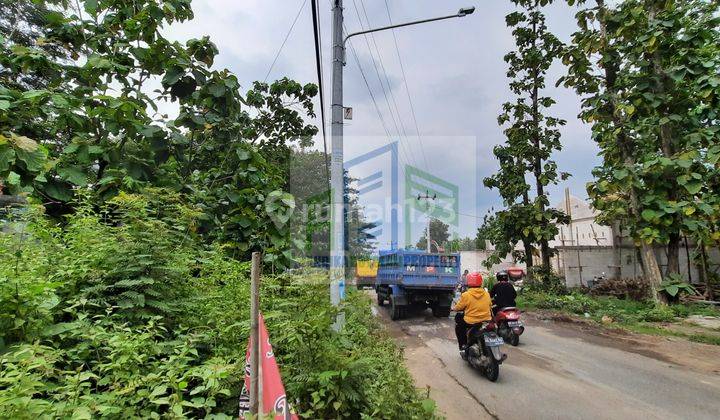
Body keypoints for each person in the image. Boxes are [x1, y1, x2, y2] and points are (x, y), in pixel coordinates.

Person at [452, 272, 492, 356]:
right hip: (486, 320)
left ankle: (463, 346)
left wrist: (453, 308)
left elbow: (459, 307)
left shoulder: (466, 295)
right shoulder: (486, 293)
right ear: (480, 282)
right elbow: (490, 304)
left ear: (468, 282)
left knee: (459, 324)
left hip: (471, 322)